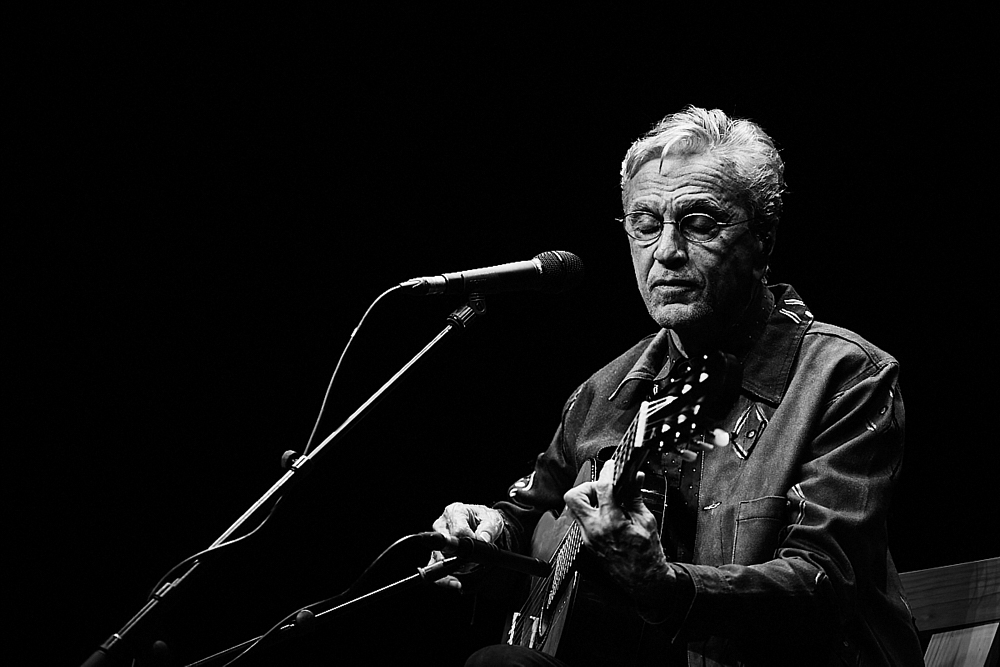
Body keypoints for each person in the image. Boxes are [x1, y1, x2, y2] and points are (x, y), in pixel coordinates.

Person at [429, 106, 924, 666]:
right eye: (644, 223)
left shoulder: (845, 375)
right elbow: (530, 515)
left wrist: (662, 584)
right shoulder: (605, 394)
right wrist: (489, 532)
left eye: (699, 222)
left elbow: (822, 583)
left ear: (763, 237)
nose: (666, 251)